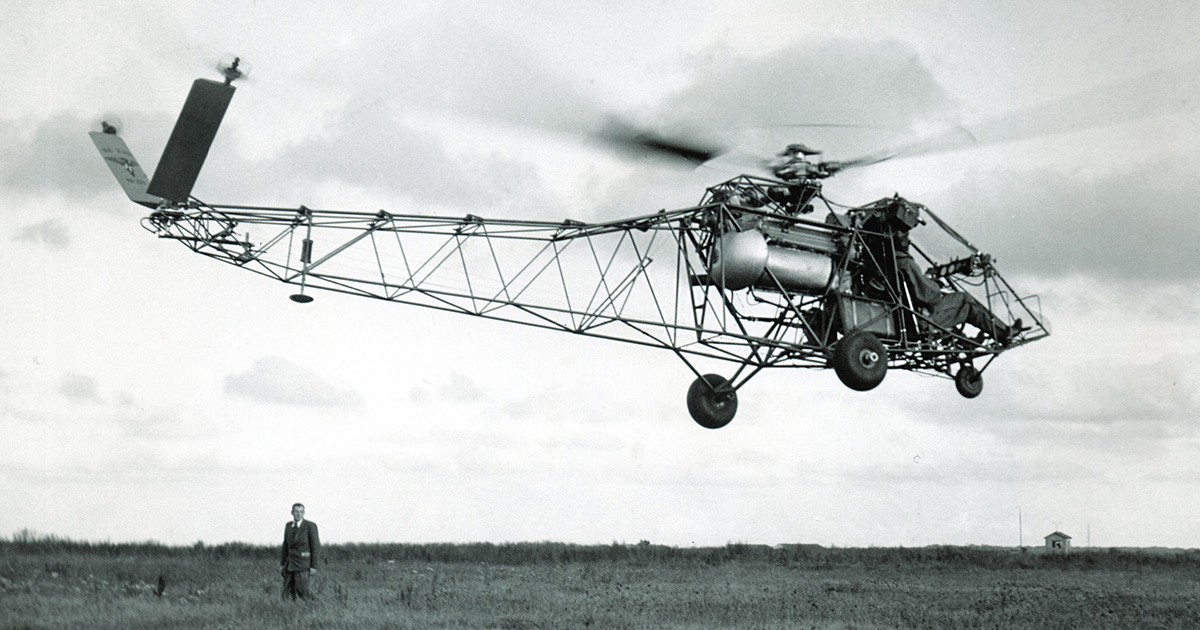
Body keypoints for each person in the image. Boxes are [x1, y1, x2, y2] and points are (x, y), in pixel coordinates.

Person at [280, 502, 320, 600]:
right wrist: (282, 563)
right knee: (286, 593)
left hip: (303, 564)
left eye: (301, 512)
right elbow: (285, 545)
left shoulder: (310, 526)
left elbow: (315, 546)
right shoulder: (288, 526)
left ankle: (317, 606)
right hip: (289, 564)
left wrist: (313, 566)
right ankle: (288, 611)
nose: (298, 514)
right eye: (296, 512)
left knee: (302, 590)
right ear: (292, 512)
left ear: (304, 513)